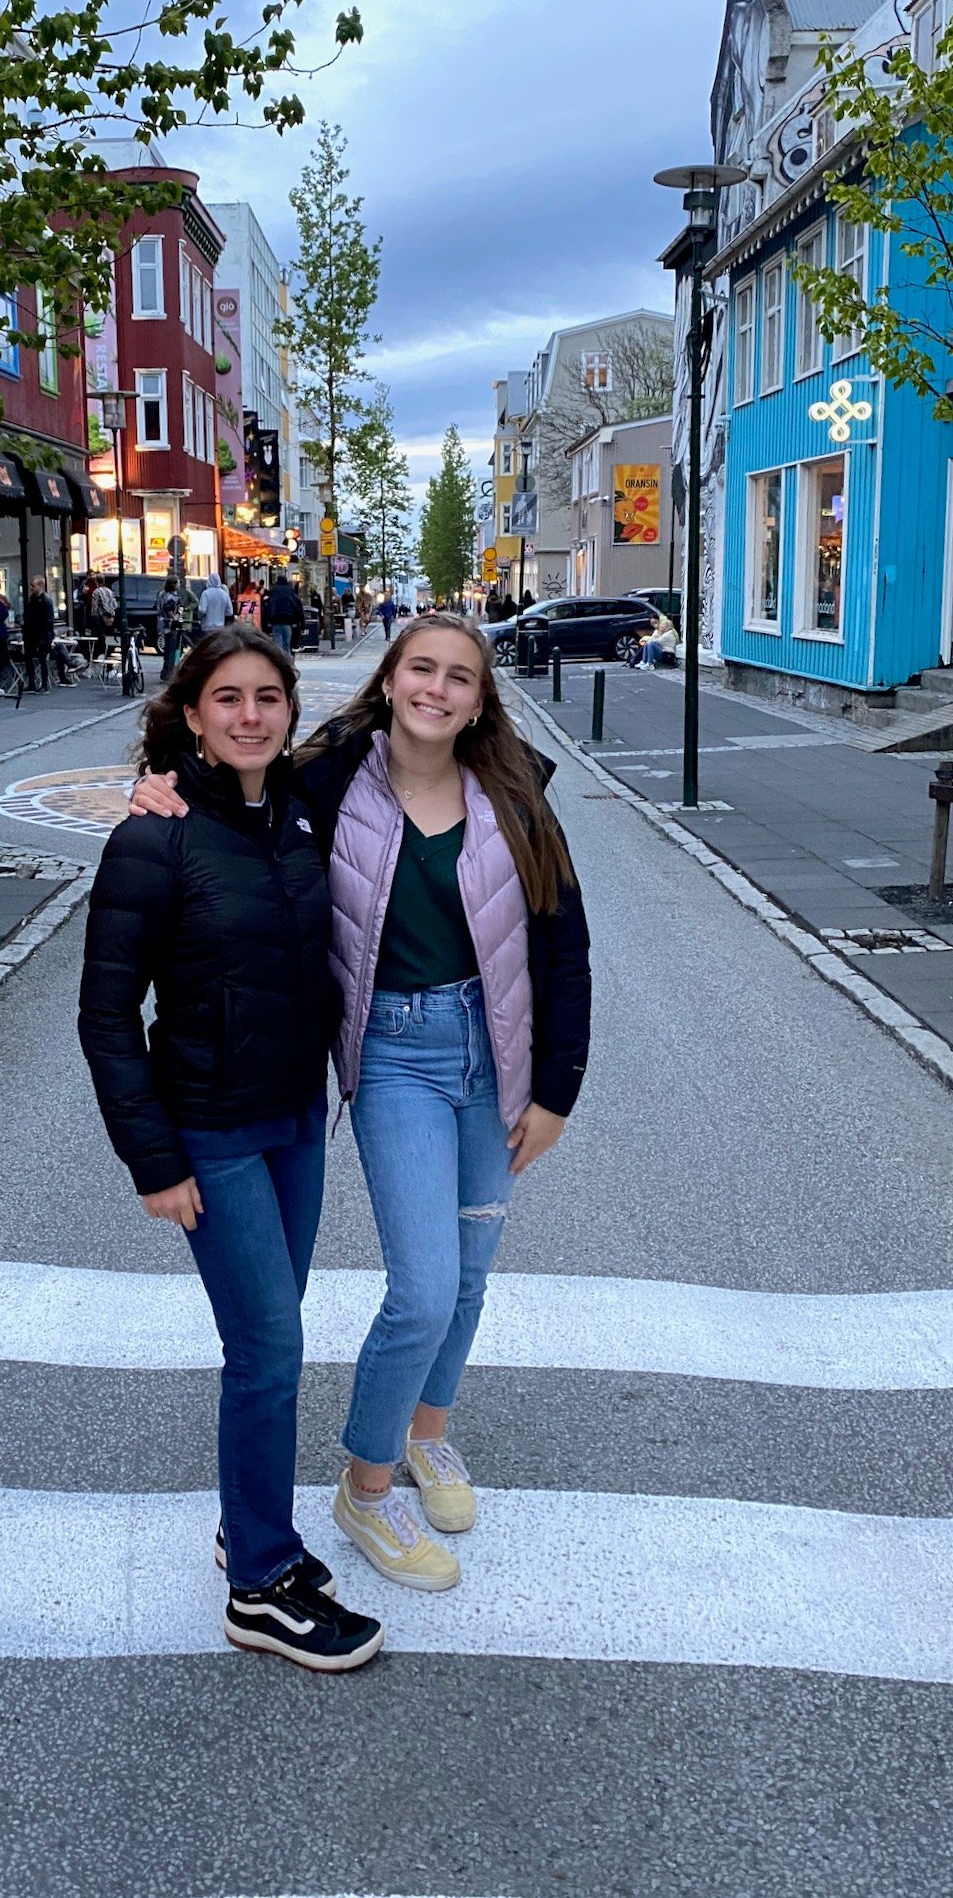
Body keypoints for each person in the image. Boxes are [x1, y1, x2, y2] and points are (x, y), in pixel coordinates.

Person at [130, 614, 591, 1593]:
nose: (436, 688)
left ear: (479, 698)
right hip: (393, 1054)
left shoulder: (513, 797)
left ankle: (429, 1435)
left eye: (457, 676)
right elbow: (232, 771)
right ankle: (367, 1487)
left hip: (492, 1054)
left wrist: (555, 1089)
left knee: (468, 1275)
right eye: (419, 668)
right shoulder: (330, 780)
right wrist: (159, 781)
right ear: (387, 681)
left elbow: (562, 947)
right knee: (422, 1286)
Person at [78, 624, 384, 1675]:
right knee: (268, 1349)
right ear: (193, 715)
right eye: (228, 699)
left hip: (295, 1119)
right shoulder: (151, 839)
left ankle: (244, 1525)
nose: (250, 715)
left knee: (270, 1339)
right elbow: (106, 1015)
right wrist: (152, 1160)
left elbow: (412, 720)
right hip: (207, 1130)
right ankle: (258, 1584)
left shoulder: (301, 805)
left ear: (290, 711)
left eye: (268, 697)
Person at [23, 576, 56, 692]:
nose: (31, 588)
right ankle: (31, 683)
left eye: (33, 585)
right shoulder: (32, 599)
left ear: (41, 586)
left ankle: (44, 685)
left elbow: (48, 620)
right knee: (29, 659)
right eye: (31, 585)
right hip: (31, 635)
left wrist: (46, 636)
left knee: (42, 660)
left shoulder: (46, 601)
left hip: (42, 636)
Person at [263, 572, 305, 657]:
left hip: (276, 620)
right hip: (288, 620)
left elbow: (268, 606)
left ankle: (280, 662)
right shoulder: (291, 591)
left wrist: (266, 623)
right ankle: (287, 662)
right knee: (287, 644)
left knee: (278, 644)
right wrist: (302, 624)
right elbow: (298, 607)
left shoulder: (273, 591)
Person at [158, 575, 184, 680]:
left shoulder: (161, 594)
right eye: (177, 583)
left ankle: (165, 672)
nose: (179, 585)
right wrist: (176, 617)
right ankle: (170, 673)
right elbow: (169, 611)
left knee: (167, 650)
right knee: (174, 650)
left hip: (163, 625)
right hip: (171, 625)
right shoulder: (171, 597)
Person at [89, 575, 118, 663]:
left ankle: (92, 663)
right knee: (109, 643)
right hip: (110, 620)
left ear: (96, 582)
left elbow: (94, 609)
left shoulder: (96, 592)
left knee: (97, 643)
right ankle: (109, 666)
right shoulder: (109, 591)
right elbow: (115, 605)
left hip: (100, 620)